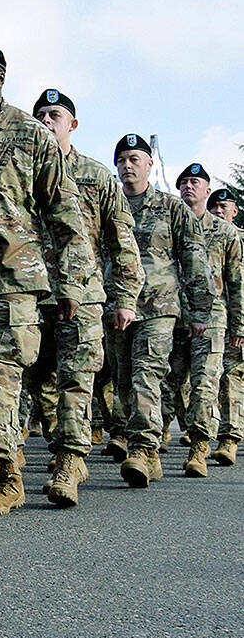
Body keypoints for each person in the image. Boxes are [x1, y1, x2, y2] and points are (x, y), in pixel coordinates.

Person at [0, 40, 92, 531]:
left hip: (13, 279)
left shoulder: (30, 135)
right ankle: (10, 477)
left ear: (1, 78)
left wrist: (71, 281)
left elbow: (67, 217)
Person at [32, 89, 143, 507]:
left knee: (77, 378)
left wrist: (126, 298)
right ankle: (42, 447)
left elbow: (122, 243)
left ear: (72, 124)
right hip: (30, 290)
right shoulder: (22, 168)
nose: (46, 120)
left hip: (84, 295)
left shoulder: (96, 177)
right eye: (40, 114)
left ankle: (70, 460)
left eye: (55, 114)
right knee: (31, 381)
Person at [108, 134, 212, 487]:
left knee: (146, 375)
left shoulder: (171, 207)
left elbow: (195, 259)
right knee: (123, 381)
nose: (128, 165)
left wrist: (199, 311)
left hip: (159, 306)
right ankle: (142, 444)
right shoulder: (110, 204)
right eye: (122, 159)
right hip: (116, 305)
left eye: (135, 158)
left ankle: (143, 448)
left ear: (149, 164)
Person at [164, 164, 242, 475]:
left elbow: (236, 281)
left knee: (205, 383)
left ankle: (199, 446)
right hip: (172, 315)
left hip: (212, 318)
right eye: (183, 182)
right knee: (167, 382)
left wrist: (239, 326)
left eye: (195, 182)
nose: (188, 187)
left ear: (206, 190)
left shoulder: (224, 231)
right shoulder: (168, 224)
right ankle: (158, 438)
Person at [208, 188, 244, 464]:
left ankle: (230, 437)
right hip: (221, 317)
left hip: (239, 318)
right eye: (214, 207)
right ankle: (226, 436)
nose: (218, 211)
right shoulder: (209, 238)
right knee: (226, 376)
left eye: (223, 206)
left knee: (232, 377)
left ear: (235, 210)